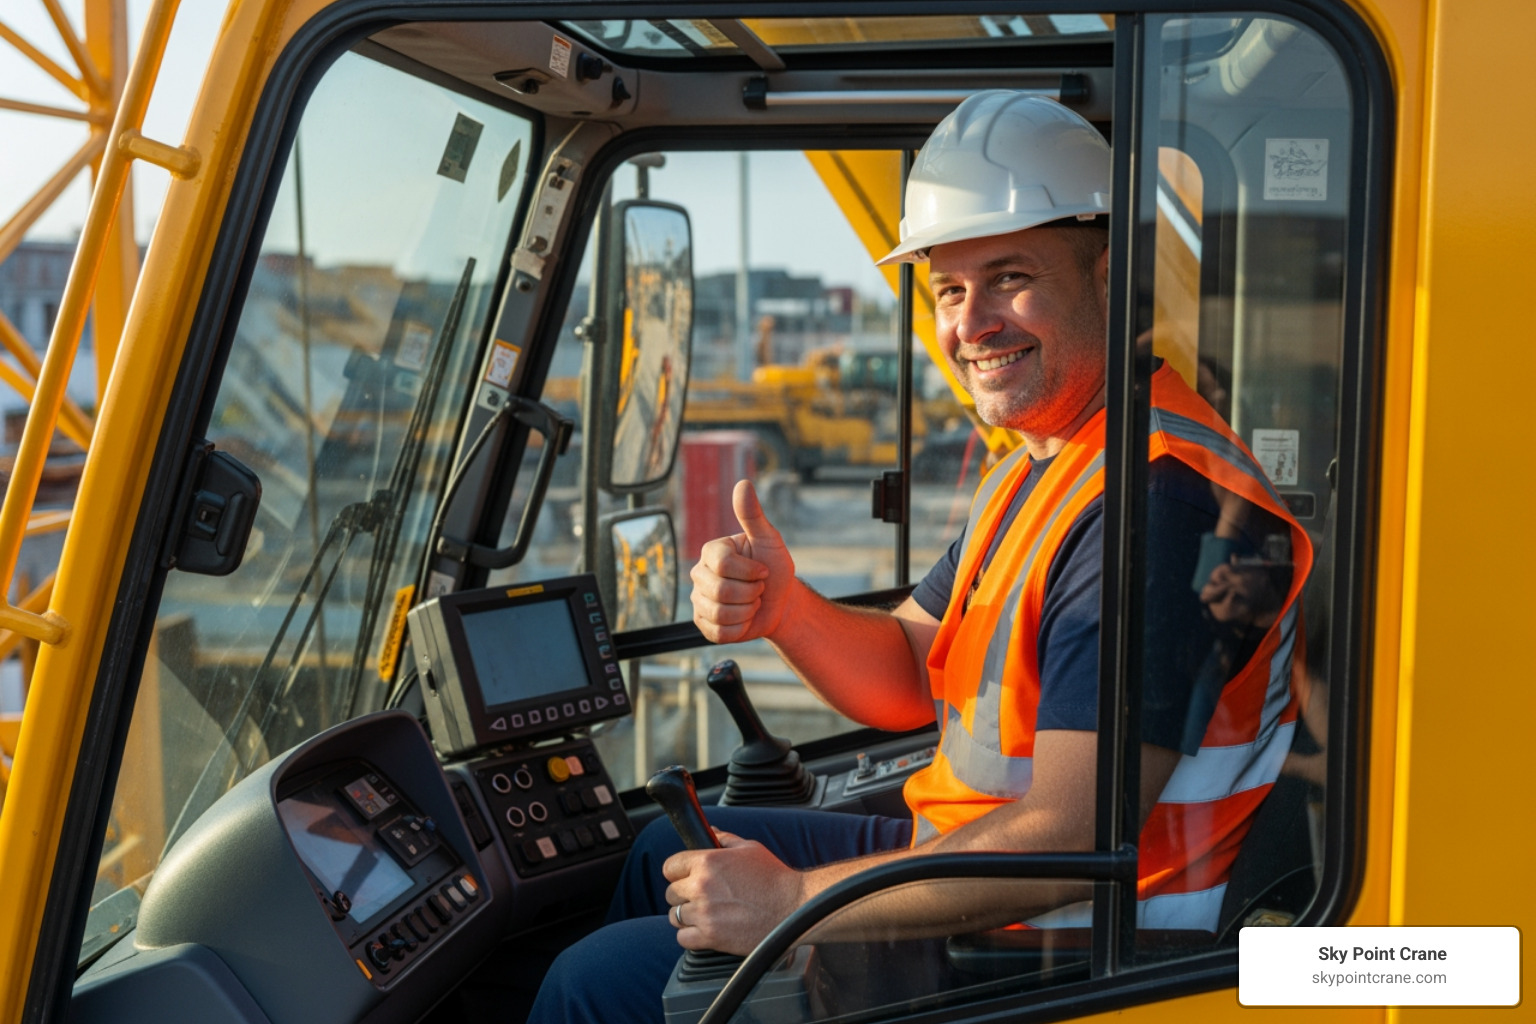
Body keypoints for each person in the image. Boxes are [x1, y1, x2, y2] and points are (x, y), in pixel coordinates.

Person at [528, 90, 1312, 1024]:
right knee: (663, 849)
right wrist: (789, 610)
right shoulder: (1052, 462)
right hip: (981, 856)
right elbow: (910, 676)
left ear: (1111, 275)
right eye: (948, 287)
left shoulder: (1159, 507)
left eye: (1010, 276)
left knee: (590, 984)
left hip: (1075, 941)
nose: (970, 324)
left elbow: (1073, 836)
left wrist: (789, 904)